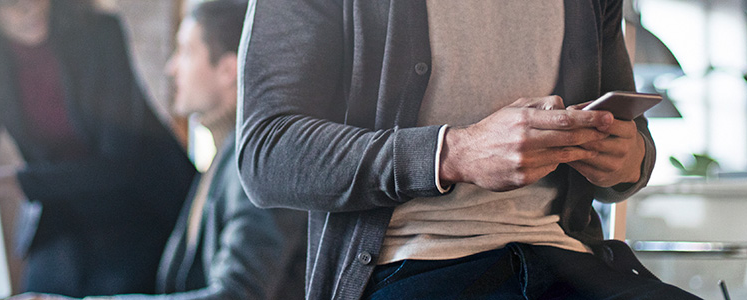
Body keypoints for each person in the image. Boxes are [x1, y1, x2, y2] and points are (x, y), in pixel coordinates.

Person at [236, 0, 700, 299]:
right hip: (409, 269)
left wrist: (627, 159)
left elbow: (634, 147)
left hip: (569, 261)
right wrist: (453, 153)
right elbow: (266, 153)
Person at [7, 1, 307, 300]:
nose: (171, 67)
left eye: (186, 52)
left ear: (228, 70)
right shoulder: (221, 160)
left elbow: (238, 295)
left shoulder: (259, 167)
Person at [0, 0, 196, 297]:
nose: (29, 7)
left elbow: (122, 162)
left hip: (139, 206)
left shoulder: (99, 33)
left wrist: (24, 181)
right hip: (64, 212)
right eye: (11, 3)